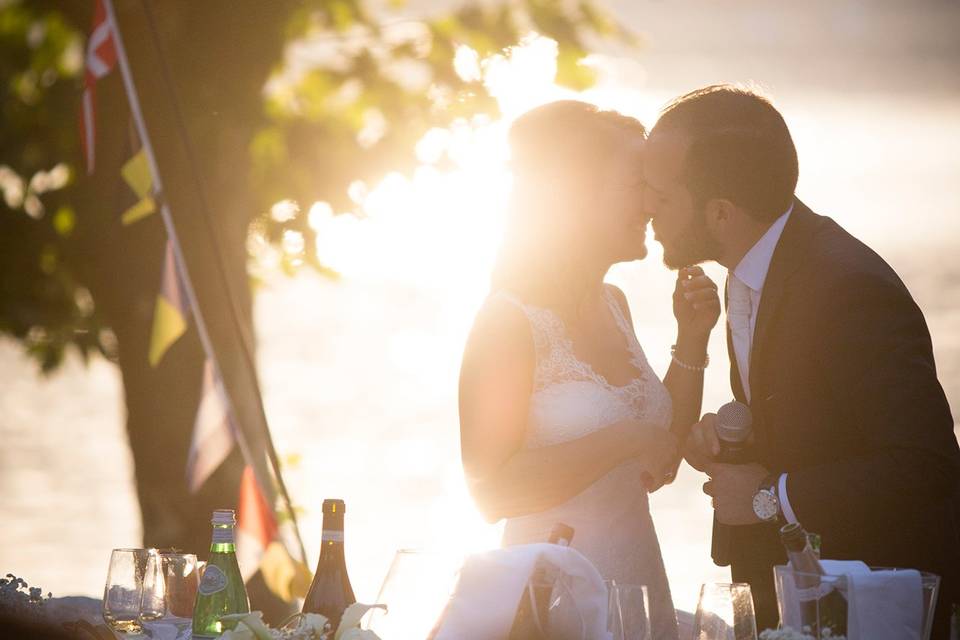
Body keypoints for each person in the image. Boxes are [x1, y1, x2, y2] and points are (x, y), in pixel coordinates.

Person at [644, 83, 960, 636]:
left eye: (662, 195)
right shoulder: (748, 271)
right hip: (795, 601)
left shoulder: (849, 288)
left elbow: (925, 465)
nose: (649, 206)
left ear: (720, 212)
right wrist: (734, 440)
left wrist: (771, 496)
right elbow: (820, 419)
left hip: (869, 607)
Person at [458, 100, 721, 639]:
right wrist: (624, 438)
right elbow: (492, 493)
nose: (652, 202)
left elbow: (658, 461)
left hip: (638, 594)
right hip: (552, 608)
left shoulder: (615, 303)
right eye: (636, 183)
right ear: (576, 194)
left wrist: (692, 342)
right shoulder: (508, 320)